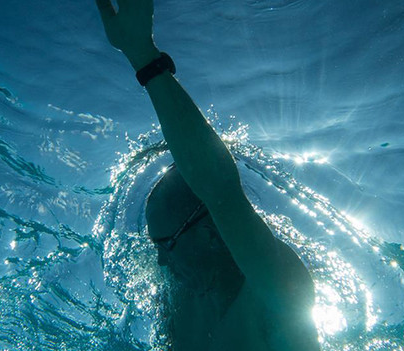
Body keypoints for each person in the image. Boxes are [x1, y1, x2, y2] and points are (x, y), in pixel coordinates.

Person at [95, 0, 320, 350]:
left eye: (166, 245)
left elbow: (221, 192)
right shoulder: (183, 304)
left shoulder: (277, 294)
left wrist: (144, 59)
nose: (161, 261)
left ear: (209, 234)